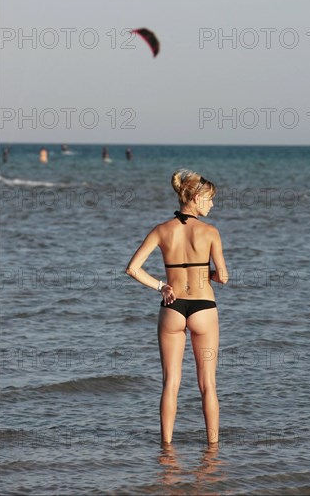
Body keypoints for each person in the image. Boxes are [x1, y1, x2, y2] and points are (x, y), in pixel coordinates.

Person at [125, 169, 228, 445]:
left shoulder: (161, 230)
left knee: (170, 383)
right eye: (209, 199)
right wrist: (205, 275)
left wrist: (161, 285)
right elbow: (224, 277)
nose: (212, 204)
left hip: (171, 308)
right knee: (208, 385)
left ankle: (166, 449)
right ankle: (213, 448)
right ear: (195, 198)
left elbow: (133, 269)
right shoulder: (210, 232)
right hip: (204, 308)